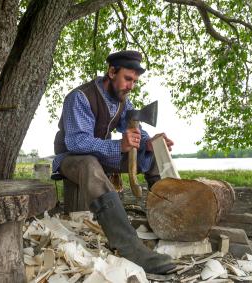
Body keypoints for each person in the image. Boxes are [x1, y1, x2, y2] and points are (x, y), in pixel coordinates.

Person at [52, 50, 176, 274]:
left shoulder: (122, 101)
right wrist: (119, 146)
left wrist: (148, 144)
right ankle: (129, 246)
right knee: (90, 165)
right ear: (111, 72)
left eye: (135, 81)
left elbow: (135, 127)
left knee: (155, 155)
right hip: (71, 158)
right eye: (128, 79)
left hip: (101, 154)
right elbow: (76, 143)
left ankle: (169, 219)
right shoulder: (80, 97)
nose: (131, 86)